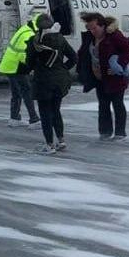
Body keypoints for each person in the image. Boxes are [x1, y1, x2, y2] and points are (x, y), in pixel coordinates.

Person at [77, 12, 129, 140]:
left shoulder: (114, 36)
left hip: (115, 78)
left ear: (102, 26)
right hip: (99, 78)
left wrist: (119, 65)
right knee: (103, 105)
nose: (92, 31)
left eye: (94, 28)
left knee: (117, 104)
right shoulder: (90, 38)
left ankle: (120, 132)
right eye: (89, 28)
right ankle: (105, 132)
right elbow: (83, 53)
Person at [25, 16, 77, 154]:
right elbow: (74, 57)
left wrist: (32, 68)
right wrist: (63, 69)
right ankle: (61, 140)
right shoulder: (60, 38)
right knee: (56, 110)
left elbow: (29, 62)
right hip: (60, 81)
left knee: (45, 113)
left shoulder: (35, 41)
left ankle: (49, 144)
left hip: (43, 81)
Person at [0, 14, 44, 128]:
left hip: (9, 65)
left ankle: (14, 118)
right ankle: (34, 119)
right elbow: (24, 54)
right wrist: (33, 67)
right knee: (26, 91)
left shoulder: (25, 29)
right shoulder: (29, 35)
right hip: (17, 66)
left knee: (16, 93)